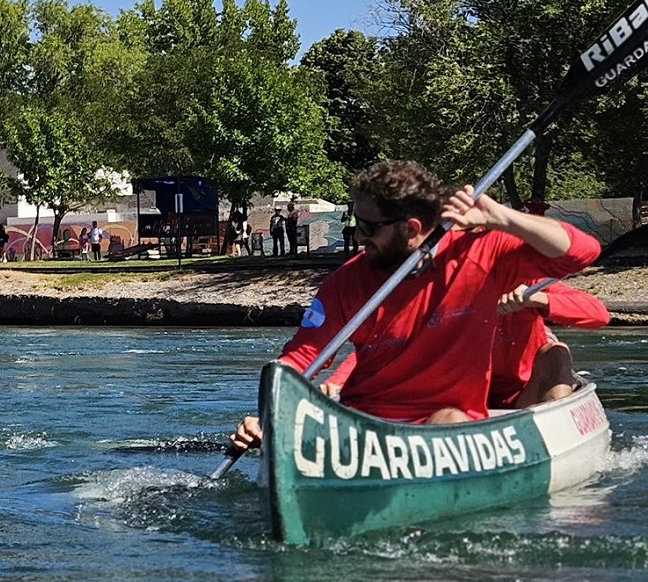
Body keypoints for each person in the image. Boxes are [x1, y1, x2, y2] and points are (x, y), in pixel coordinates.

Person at [228, 160, 600, 452]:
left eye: (369, 226)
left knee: (451, 419)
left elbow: (583, 252)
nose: (358, 235)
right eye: (356, 222)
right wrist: (269, 413)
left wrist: (502, 218)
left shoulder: (480, 254)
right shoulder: (346, 283)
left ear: (411, 227)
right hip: (363, 426)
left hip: (447, 426)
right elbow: (301, 359)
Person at [491, 281, 610, 408]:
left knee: (557, 353)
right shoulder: (468, 284)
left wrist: (537, 298)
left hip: (528, 394)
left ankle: (557, 420)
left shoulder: (531, 283)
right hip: (472, 397)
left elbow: (600, 315)